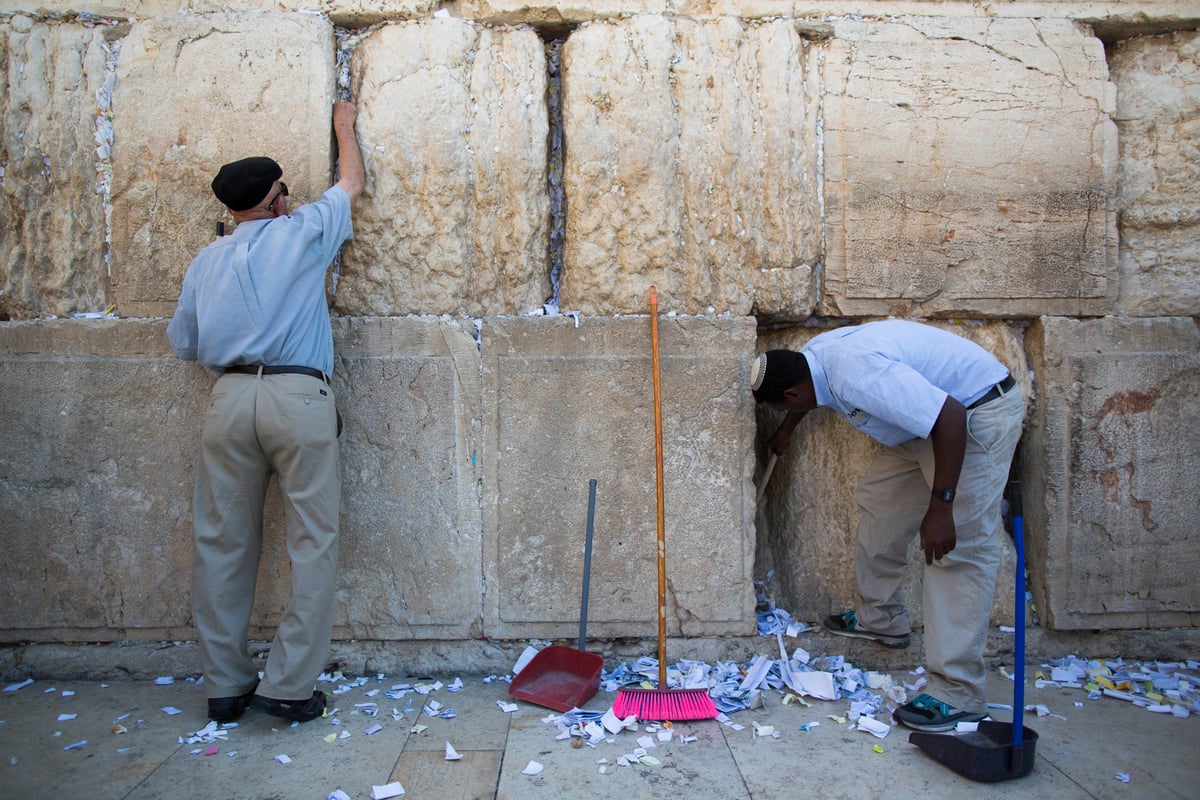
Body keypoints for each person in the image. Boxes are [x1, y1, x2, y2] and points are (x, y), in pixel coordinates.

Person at [166, 102, 366, 724]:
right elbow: (351, 183)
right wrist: (343, 126)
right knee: (313, 542)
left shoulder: (206, 261)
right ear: (277, 199)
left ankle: (226, 685)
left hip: (229, 400)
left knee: (220, 543)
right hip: (297, 396)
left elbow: (186, 344)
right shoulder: (303, 231)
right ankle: (288, 686)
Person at [749, 319, 1024, 732]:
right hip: (923, 427)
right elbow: (806, 394)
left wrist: (942, 505)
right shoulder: (815, 359)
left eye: (783, 409)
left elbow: (949, 415)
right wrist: (787, 429)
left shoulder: (857, 374)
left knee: (957, 550)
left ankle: (958, 693)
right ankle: (880, 616)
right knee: (881, 500)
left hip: (971, 417)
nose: (784, 414)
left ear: (792, 394)